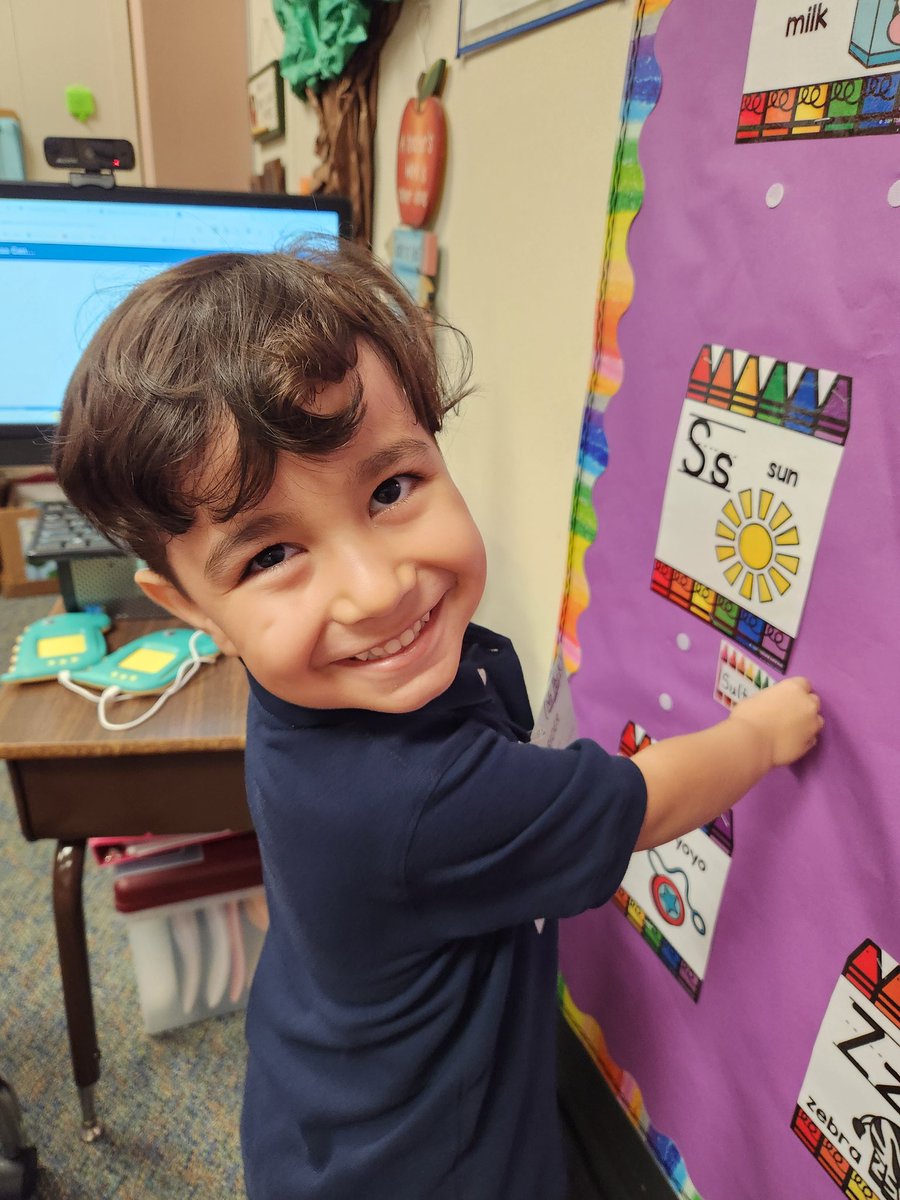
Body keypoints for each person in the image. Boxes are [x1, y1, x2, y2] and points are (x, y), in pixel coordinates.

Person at [54, 240, 823, 1200]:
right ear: (191, 610)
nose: (376, 589)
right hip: (426, 1164)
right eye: (270, 557)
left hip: (319, 1092)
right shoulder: (414, 801)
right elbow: (646, 801)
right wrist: (760, 735)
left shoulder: (305, 688)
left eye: (390, 490)